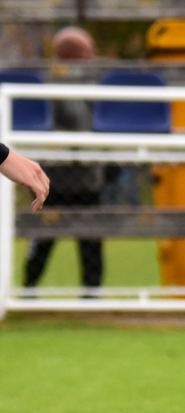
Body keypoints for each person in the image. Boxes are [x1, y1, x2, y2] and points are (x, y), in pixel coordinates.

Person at [23, 28, 102, 291]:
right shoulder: (51, 85)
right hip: (54, 180)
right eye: (87, 52)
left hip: (88, 179)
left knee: (91, 239)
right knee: (43, 237)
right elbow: (71, 125)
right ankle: (28, 288)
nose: (93, 57)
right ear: (70, 54)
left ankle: (92, 293)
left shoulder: (94, 85)